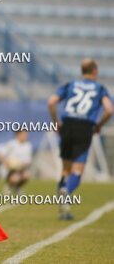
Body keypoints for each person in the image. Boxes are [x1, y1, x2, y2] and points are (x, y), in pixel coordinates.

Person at [48, 58, 112, 220]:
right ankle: (67, 192)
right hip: (84, 126)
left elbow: (52, 102)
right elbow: (109, 110)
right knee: (77, 171)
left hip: (68, 124)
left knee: (65, 169)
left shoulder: (71, 85)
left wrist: (56, 123)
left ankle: (63, 210)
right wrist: (98, 125)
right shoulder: (99, 88)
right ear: (95, 71)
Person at [0, 130, 32, 195]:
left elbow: (27, 161)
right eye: (24, 134)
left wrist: (21, 165)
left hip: (21, 169)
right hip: (10, 170)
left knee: (26, 175)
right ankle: (8, 186)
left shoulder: (28, 145)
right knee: (15, 178)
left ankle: (18, 188)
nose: (26, 136)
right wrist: (5, 162)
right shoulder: (12, 144)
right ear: (18, 135)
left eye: (26, 134)